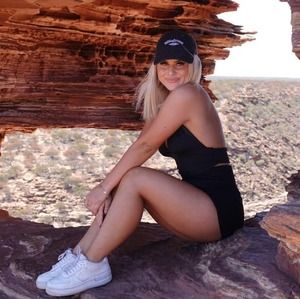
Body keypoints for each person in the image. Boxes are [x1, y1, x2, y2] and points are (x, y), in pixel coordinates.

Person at [36, 30, 244, 296]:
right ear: (155, 67)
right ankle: (80, 256)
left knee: (134, 178)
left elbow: (145, 148)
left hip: (217, 211)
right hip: (198, 210)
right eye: (164, 64)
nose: (171, 71)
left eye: (179, 63)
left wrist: (102, 188)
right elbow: (139, 146)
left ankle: (94, 264)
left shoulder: (189, 94)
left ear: (192, 65)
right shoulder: (167, 102)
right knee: (126, 179)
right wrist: (111, 189)